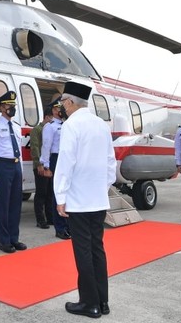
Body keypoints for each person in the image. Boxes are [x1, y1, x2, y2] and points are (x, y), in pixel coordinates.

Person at [54, 81, 116, 319]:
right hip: (98, 199)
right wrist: (103, 187)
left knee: (83, 252)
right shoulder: (101, 125)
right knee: (97, 249)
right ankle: (103, 301)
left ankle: (89, 303)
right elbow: (111, 163)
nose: (63, 107)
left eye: (63, 103)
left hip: (79, 201)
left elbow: (66, 162)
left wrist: (61, 195)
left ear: (70, 101)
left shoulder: (72, 125)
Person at [0, 91, 27, 254]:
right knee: (3, 204)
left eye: (13, 106)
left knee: (16, 204)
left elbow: (19, 152)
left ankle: (14, 238)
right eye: (9, 105)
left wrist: (21, 171)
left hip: (15, 166)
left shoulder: (16, 126)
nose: (11, 108)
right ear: (1, 107)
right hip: (2, 166)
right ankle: (4, 241)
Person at [40, 97, 70, 240]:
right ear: (54, 110)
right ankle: (60, 228)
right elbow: (46, 146)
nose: (62, 110)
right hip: (55, 159)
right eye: (60, 108)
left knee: (68, 192)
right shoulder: (50, 126)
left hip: (66, 158)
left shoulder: (67, 125)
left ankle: (68, 225)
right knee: (57, 193)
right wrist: (45, 165)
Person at [29, 107, 54, 229]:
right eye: (51, 117)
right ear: (47, 117)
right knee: (41, 193)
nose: (52, 120)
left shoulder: (49, 129)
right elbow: (35, 147)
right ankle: (40, 219)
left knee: (49, 193)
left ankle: (50, 218)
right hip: (40, 166)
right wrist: (39, 164)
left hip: (48, 165)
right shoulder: (37, 130)